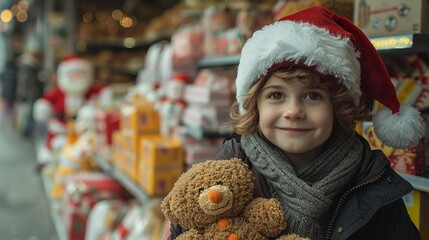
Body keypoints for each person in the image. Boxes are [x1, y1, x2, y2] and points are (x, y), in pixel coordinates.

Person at [168, 6, 423, 240]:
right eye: (276, 95)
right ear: (254, 105)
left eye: (313, 96)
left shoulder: (373, 183)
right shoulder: (220, 179)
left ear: (337, 107)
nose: (293, 111)